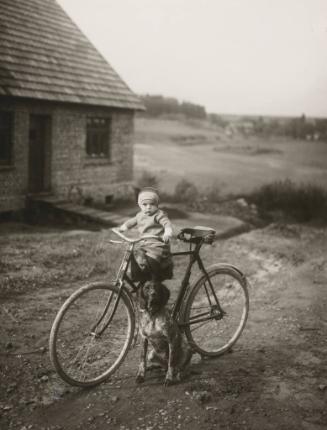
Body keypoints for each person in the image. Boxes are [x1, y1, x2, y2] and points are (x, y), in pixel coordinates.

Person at [118, 188, 174, 281]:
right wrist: (123, 228)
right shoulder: (140, 215)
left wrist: (167, 233)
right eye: (145, 204)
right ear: (140, 205)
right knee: (135, 256)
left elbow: (166, 224)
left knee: (152, 259)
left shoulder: (159, 214)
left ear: (157, 205)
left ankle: (155, 278)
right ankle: (139, 276)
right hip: (144, 243)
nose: (148, 207)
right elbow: (132, 222)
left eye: (152, 204)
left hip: (157, 244)